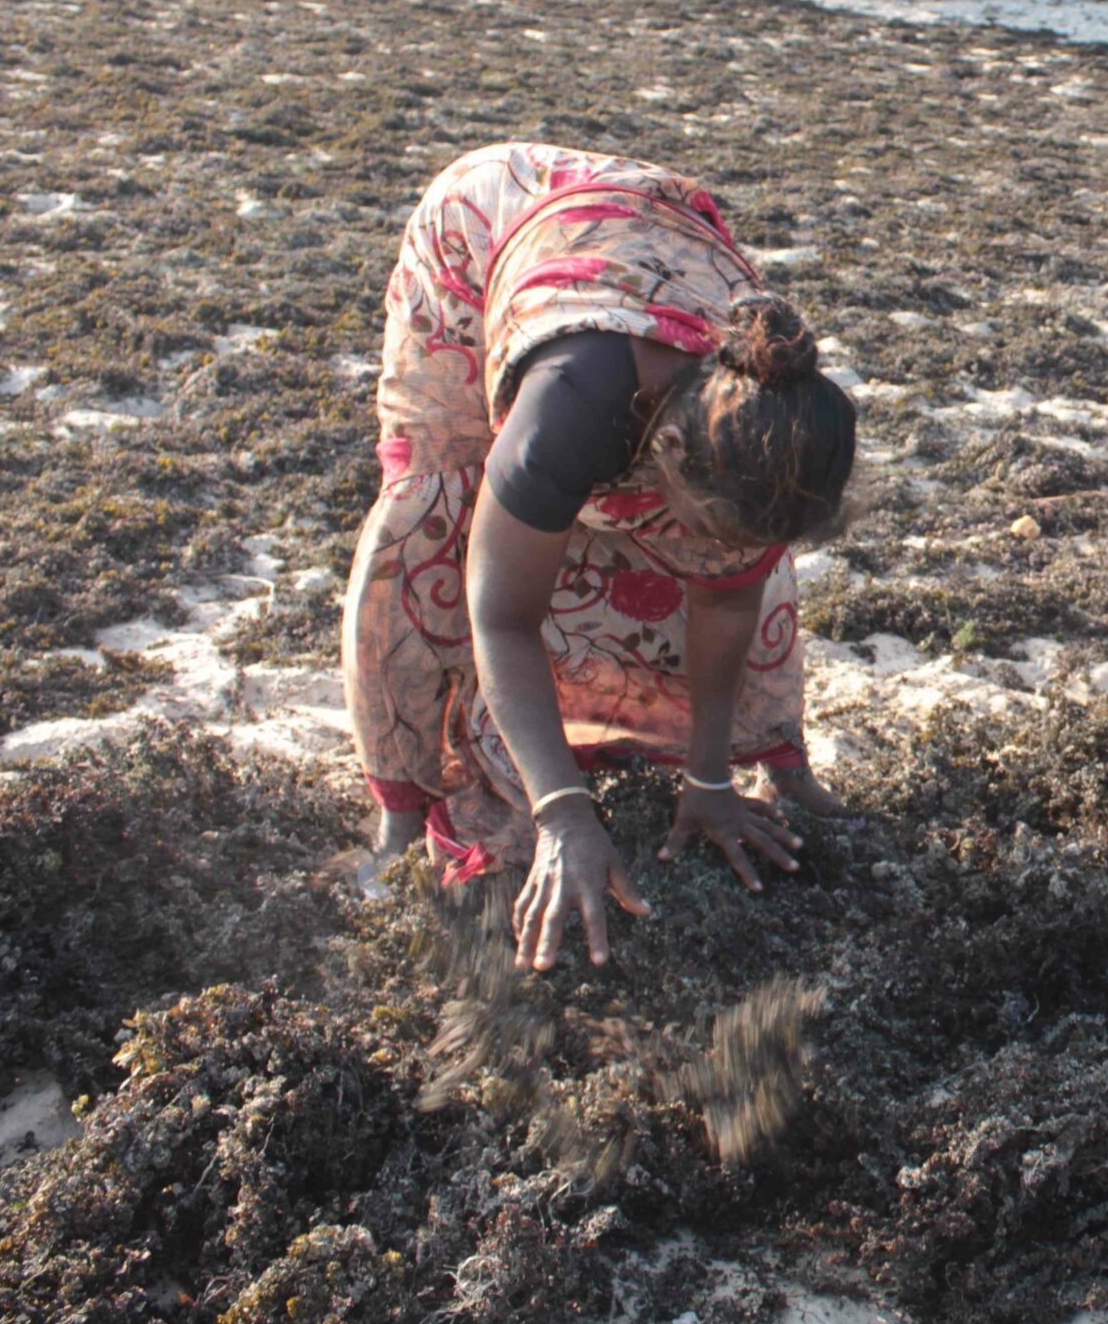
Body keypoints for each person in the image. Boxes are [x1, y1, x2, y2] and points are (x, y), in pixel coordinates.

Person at [345, 142, 856, 972]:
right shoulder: (571, 404)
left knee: (735, 565)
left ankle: (760, 761)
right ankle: (405, 807)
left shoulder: (778, 413)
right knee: (439, 521)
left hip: (642, 248)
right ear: (667, 451)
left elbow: (730, 594)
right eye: (703, 527)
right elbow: (500, 615)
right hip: (483, 238)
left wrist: (710, 780)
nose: (713, 556)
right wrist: (561, 813)